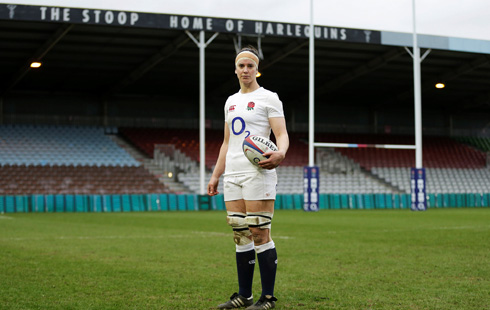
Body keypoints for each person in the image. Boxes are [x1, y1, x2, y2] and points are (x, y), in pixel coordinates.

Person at [208, 46, 289, 310]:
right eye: (241, 66)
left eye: (250, 66)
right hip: (232, 173)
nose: (245, 70)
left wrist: (281, 153)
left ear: (257, 69)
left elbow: (282, 133)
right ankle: (245, 296)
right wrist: (216, 174)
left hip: (258, 172)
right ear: (235, 69)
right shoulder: (230, 101)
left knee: (259, 232)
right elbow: (226, 142)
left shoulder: (269, 98)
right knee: (240, 234)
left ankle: (267, 298)